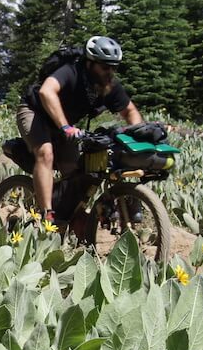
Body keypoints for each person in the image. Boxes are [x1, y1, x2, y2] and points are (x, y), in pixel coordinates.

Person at [16, 35, 144, 222]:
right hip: (34, 112)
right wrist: (66, 127)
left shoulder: (108, 85)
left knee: (75, 173)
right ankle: (47, 215)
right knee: (46, 153)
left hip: (62, 123)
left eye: (114, 67)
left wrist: (138, 133)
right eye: (105, 67)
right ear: (90, 63)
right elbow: (46, 91)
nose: (109, 72)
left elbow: (130, 111)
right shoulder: (71, 71)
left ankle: (67, 211)